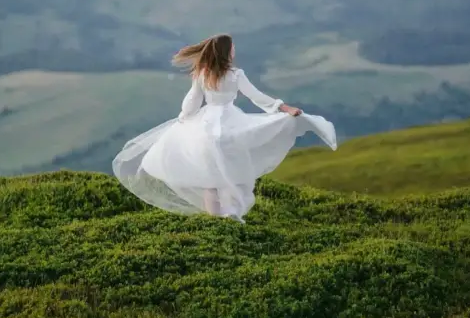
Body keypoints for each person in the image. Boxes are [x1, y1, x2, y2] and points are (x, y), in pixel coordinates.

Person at [112, 34, 338, 222]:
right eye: (232, 48)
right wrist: (283, 108)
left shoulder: (202, 74)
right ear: (226, 52)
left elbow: (192, 100)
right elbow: (256, 97)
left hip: (205, 126)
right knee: (231, 172)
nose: (234, 51)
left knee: (209, 176)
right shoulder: (236, 75)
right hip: (230, 124)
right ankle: (231, 213)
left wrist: (184, 118)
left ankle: (215, 218)